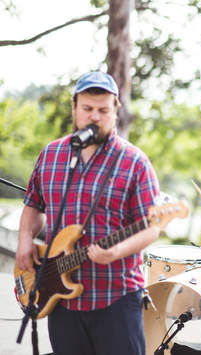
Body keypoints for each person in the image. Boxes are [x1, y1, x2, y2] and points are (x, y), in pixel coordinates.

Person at [15, 71, 161, 355]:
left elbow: (151, 227)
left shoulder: (135, 162)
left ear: (116, 111)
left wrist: (116, 251)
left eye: (103, 110)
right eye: (88, 109)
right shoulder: (51, 155)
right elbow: (34, 204)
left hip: (116, 298)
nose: (95, 116)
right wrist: (24, 237)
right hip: (60, 298)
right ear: (74, 108)